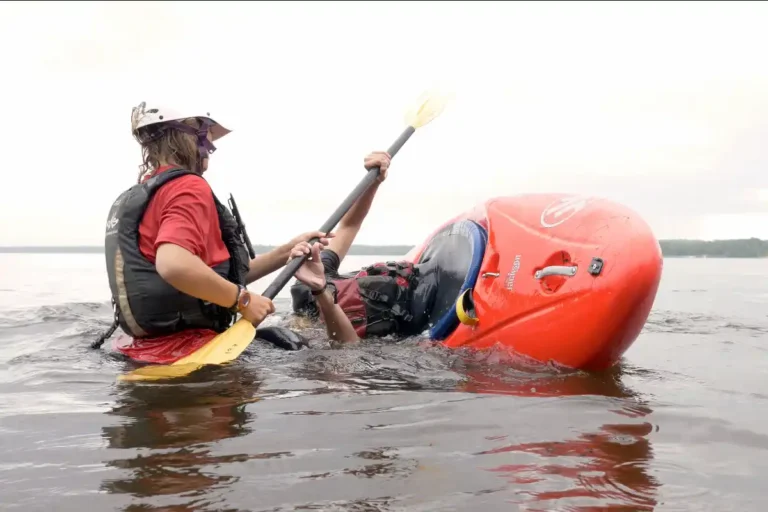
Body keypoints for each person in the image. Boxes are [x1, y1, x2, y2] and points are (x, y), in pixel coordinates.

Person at [98, 101, 393, 363]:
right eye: (207, 139)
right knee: (314, 353)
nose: (210, 149)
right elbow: (174, 264)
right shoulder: (187, 187)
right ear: (190, 138)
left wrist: (285, 251)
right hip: (191, 349)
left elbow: (209, 279)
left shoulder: (140, 195)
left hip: (141, 350)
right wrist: (244, 301)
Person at [287, 156, 441, 343]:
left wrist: (373, 182)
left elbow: (349, 225)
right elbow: (349, 225)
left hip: (414, 301)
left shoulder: (315, 276)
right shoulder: (312, 286)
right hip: (413, 302)